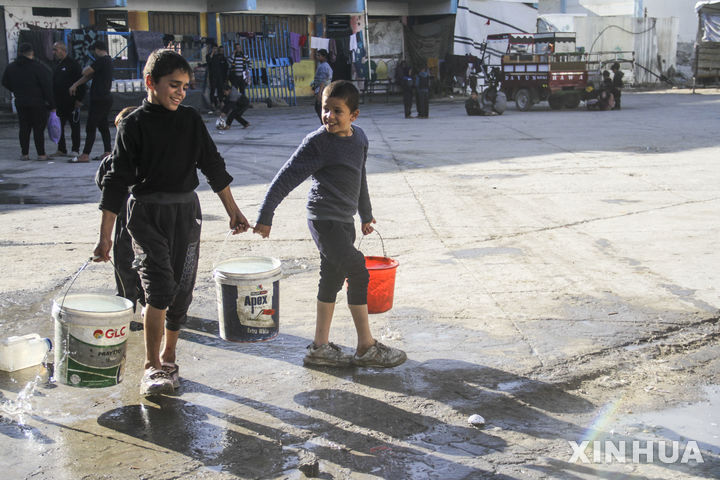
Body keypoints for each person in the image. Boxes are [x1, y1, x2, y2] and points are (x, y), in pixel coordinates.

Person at [93, 49, 251, 395]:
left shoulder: (190, 120)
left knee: (181, 290)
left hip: (186, 213)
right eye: (173, 85)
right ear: (150, 83)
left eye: (185, 86)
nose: (180, 92)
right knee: (159, 288)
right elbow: (115, 183)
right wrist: (105, 237)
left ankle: (169, 357)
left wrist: (233, 211)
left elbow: (213, 166)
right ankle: (151, 367)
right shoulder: (133, 125)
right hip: (146, 214)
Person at [253, 80, 407, 369]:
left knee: (332, 279)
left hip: (345, 222)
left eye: (337, 111)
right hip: (323, 222)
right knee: (359, 273)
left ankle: (320, 347)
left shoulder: (359, 138)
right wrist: (265, 215)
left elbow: (359, 177)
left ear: (354, 115)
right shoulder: (317, 143)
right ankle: (366, 347)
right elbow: (285, 177)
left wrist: (366, 214)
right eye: (325, 109)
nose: (329, 117)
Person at [95, 106, 145, 330]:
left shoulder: (114, 161)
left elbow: (102, 186)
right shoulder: (114, 162)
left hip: (132, 223)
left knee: (131, 266)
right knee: (134, 265)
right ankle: (139, 303)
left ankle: (134, 303)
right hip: (133, 223)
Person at [1, 42, 55, 161]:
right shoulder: (38, 67)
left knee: (24, 128)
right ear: (32, 53)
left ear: (19, 53)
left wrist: (15, 90)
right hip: (37, 102)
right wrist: (52, 104)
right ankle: (41, 154)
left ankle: (24, 154)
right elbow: (46, 87)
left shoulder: (11, 67)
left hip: (20, 101)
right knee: (38, 129)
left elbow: (4, 82)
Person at [69, 40, 113, 163]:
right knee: (103, 125)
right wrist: (75, 84)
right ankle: (107, 151)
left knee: (91, 126)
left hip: (99, 98)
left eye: (94, 51)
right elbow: (88, 76)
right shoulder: (107, 62)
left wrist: (88, 66)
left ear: (98, 50)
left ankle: (85, 154)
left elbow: (85, 72)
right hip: (105, 98)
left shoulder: (102, 60)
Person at [51, 42, 85, 158]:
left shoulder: (73, 64)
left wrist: (79, 99)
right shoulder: (57, 64)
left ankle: (75, 149)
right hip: (59, 101)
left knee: (74, 126)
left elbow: (82, 82)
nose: (54, 52)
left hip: (72, 101)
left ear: (62, 50)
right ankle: (61, 149)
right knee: (59, 126)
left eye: (55, 50)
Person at [311, 49, 332, 123]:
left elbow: (323, 81)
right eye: (317, 55)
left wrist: (320, 93)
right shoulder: (322, 65)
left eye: (319, 55)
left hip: (322, 89)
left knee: (320, 108)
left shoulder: (324, 67)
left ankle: (325, 124)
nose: (317, 57)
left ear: (324, 56)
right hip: (321, 89)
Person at [207, 44, 228, 109]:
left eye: (216, 49)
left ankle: (221, 102)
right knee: (213, 90)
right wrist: (212, 53)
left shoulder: (219, 56)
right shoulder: (208, 56)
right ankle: (213, 103)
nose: (215, 50)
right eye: (214, 49)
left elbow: (224, 66)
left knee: (220, 89)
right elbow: (209, 61)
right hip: (212, 76)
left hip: (219, 76)